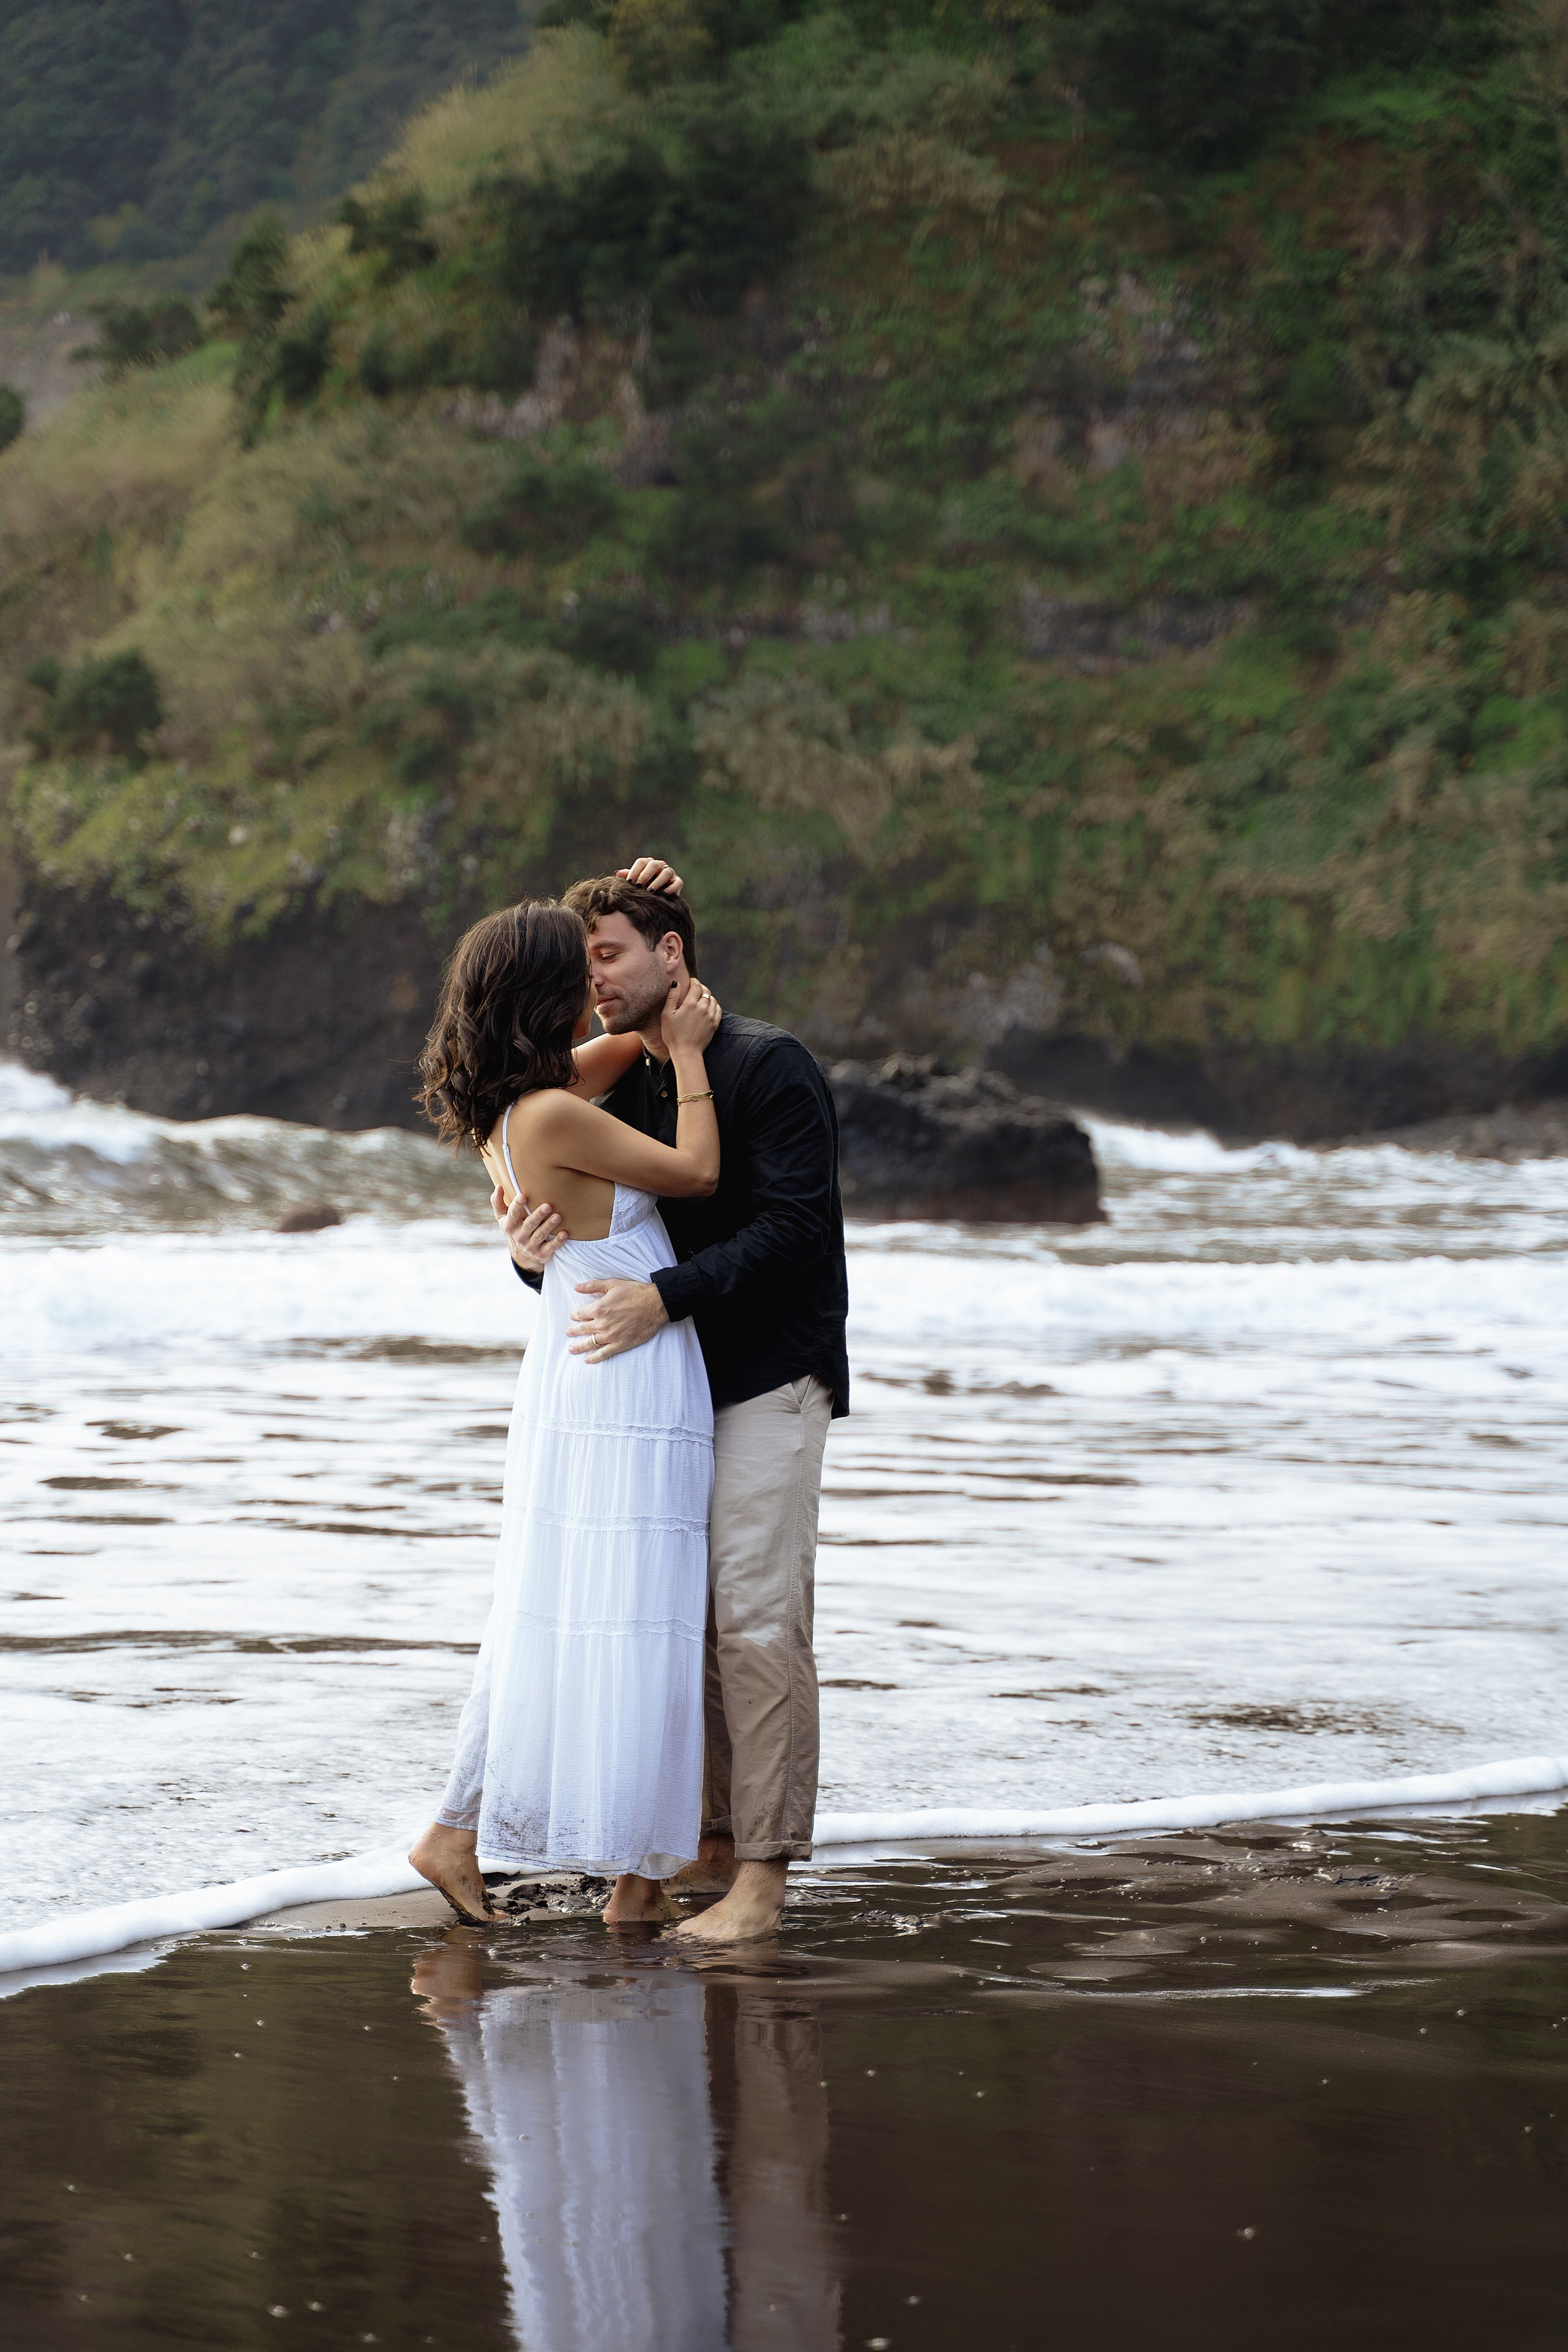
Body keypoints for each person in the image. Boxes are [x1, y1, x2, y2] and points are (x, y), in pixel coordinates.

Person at [500, 859, 848, 1947]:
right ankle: (698, 1842)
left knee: (754, 1626)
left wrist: (665, 1300)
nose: (595, 977)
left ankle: (763, 1877)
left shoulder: (766, 1066)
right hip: (672, 1392)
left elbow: (793, 1227)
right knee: (677, 1625)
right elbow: (599, 1226)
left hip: (766, 1376)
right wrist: (529, 1259)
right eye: (585, 959)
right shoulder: (628, 1078)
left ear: (672, 956)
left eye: (611, 954)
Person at [407, 897, 725, 1928]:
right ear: (542, 994)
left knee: (568, 1601)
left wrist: (659, 941)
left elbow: (630, 1033)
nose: (594, 983)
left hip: (583, 1363)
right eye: (576, 968)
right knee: (634, 1606)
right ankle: (618, 1868)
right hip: (625, 1369)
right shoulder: (549, 1113)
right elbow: (695, 1170)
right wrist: (695, 1064)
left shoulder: (519, 1103)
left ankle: (486, 1833)